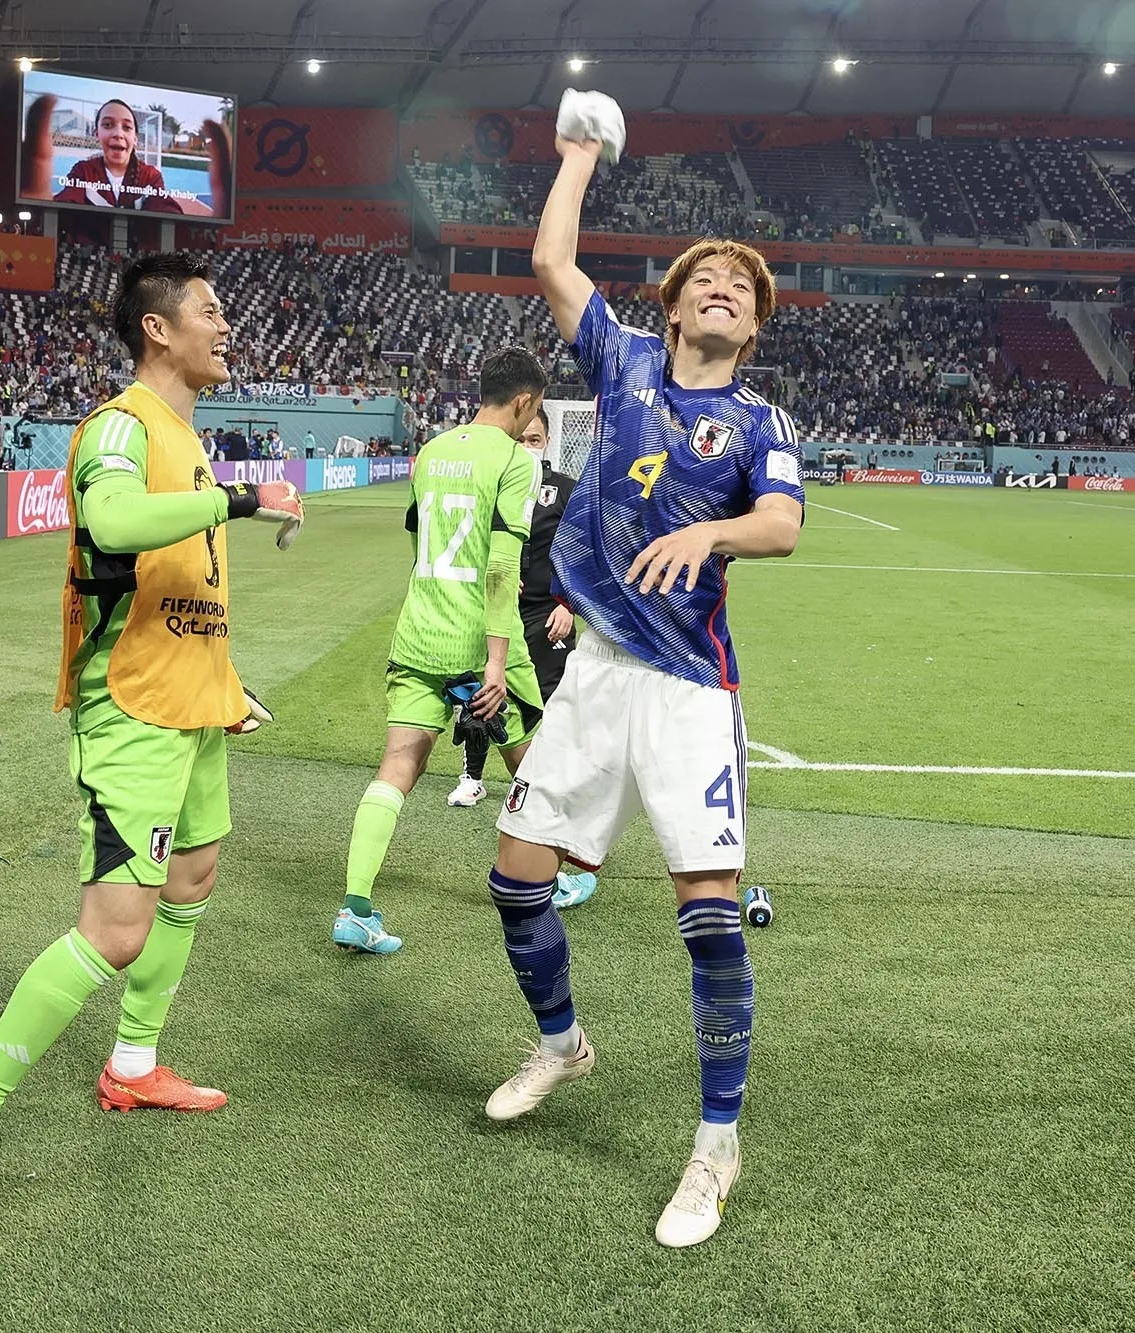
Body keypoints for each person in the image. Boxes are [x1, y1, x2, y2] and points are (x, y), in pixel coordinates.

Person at [0, 252, 304, 1233]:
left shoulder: (186, 435)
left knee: (193, 878)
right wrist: (242, 499)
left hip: (195, 704)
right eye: (210, 310)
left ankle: (132, 1065)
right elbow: (112, 519)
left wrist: (226, 687)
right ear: (158, 329)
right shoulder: (119, 424)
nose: (226, 326)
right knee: (115, 930)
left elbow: (186, 595)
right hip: (132, 708)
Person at [481, 123, 805, 1250]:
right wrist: (578, 153)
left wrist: (712, 532)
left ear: (752, 328)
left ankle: (716, 1145)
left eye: (740, 289)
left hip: (688, 691)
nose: (723, 289)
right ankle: (561, 1043)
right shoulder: (619, 363)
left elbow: (781, 525)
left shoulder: (761, 422)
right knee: (515, 881)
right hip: (595, 677)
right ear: (670, 309)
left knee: (708, 920)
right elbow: (550, 261)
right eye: (704, 279)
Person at [332, 347, 550, 956]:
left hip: (418, 632)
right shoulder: (516, 460)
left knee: (398, 766)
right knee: (533, 764)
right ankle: (550, 879)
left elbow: (418, 542)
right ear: (525, 402)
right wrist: (497, 662)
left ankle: (355, 907)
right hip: (479, 640)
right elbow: (502, 569)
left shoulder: (431, 451)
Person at [445, 409, 599, 905]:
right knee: (483, 698)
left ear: (547, 441)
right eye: (522, 438)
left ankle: (556, 810)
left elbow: (585, 552)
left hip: (545, 612)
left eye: (536, 439)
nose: (529, 446)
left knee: (549, 709)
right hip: (496, 611)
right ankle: (473, 777)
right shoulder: (496, 479)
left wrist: (568, 605)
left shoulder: (566, 489)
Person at [26, 95, 230, 218]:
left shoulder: (150, 176)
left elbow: (166, 212)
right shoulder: (83, 171)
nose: (118, 133)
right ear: (96, 134)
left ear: (135, 139)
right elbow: (66, 207)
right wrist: (43, 212)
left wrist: (201, 232)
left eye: (127, 127)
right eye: (108, 125)